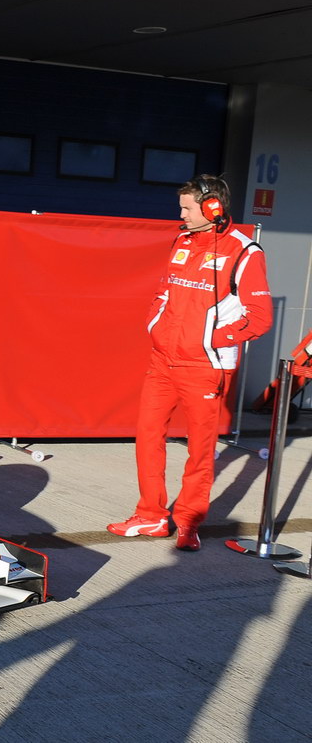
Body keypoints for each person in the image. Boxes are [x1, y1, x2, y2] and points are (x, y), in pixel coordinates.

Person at [108, 175, 272, 552]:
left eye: (186, 207)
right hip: (162, 360)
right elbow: (163, 290)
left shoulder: (246, 252)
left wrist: (207, 339)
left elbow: (259, 317)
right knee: (148, 436)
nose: (179, 213)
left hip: (206, 367)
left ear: (212, 206)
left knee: (200, 449)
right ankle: (150, 515)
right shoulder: (181, 240)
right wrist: (155, 325)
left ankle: (188, 522)